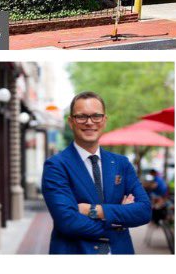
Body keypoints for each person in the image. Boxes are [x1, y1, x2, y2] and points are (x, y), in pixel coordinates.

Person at [41, 91, 151, 255]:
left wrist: (93, 210)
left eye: (96, 116)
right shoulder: (56, 166)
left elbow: (144, 211)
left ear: (104, 120)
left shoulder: (121, 163)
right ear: (71, 122)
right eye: (81, 117)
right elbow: (68, 222)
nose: (89, 122)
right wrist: (119, 221)